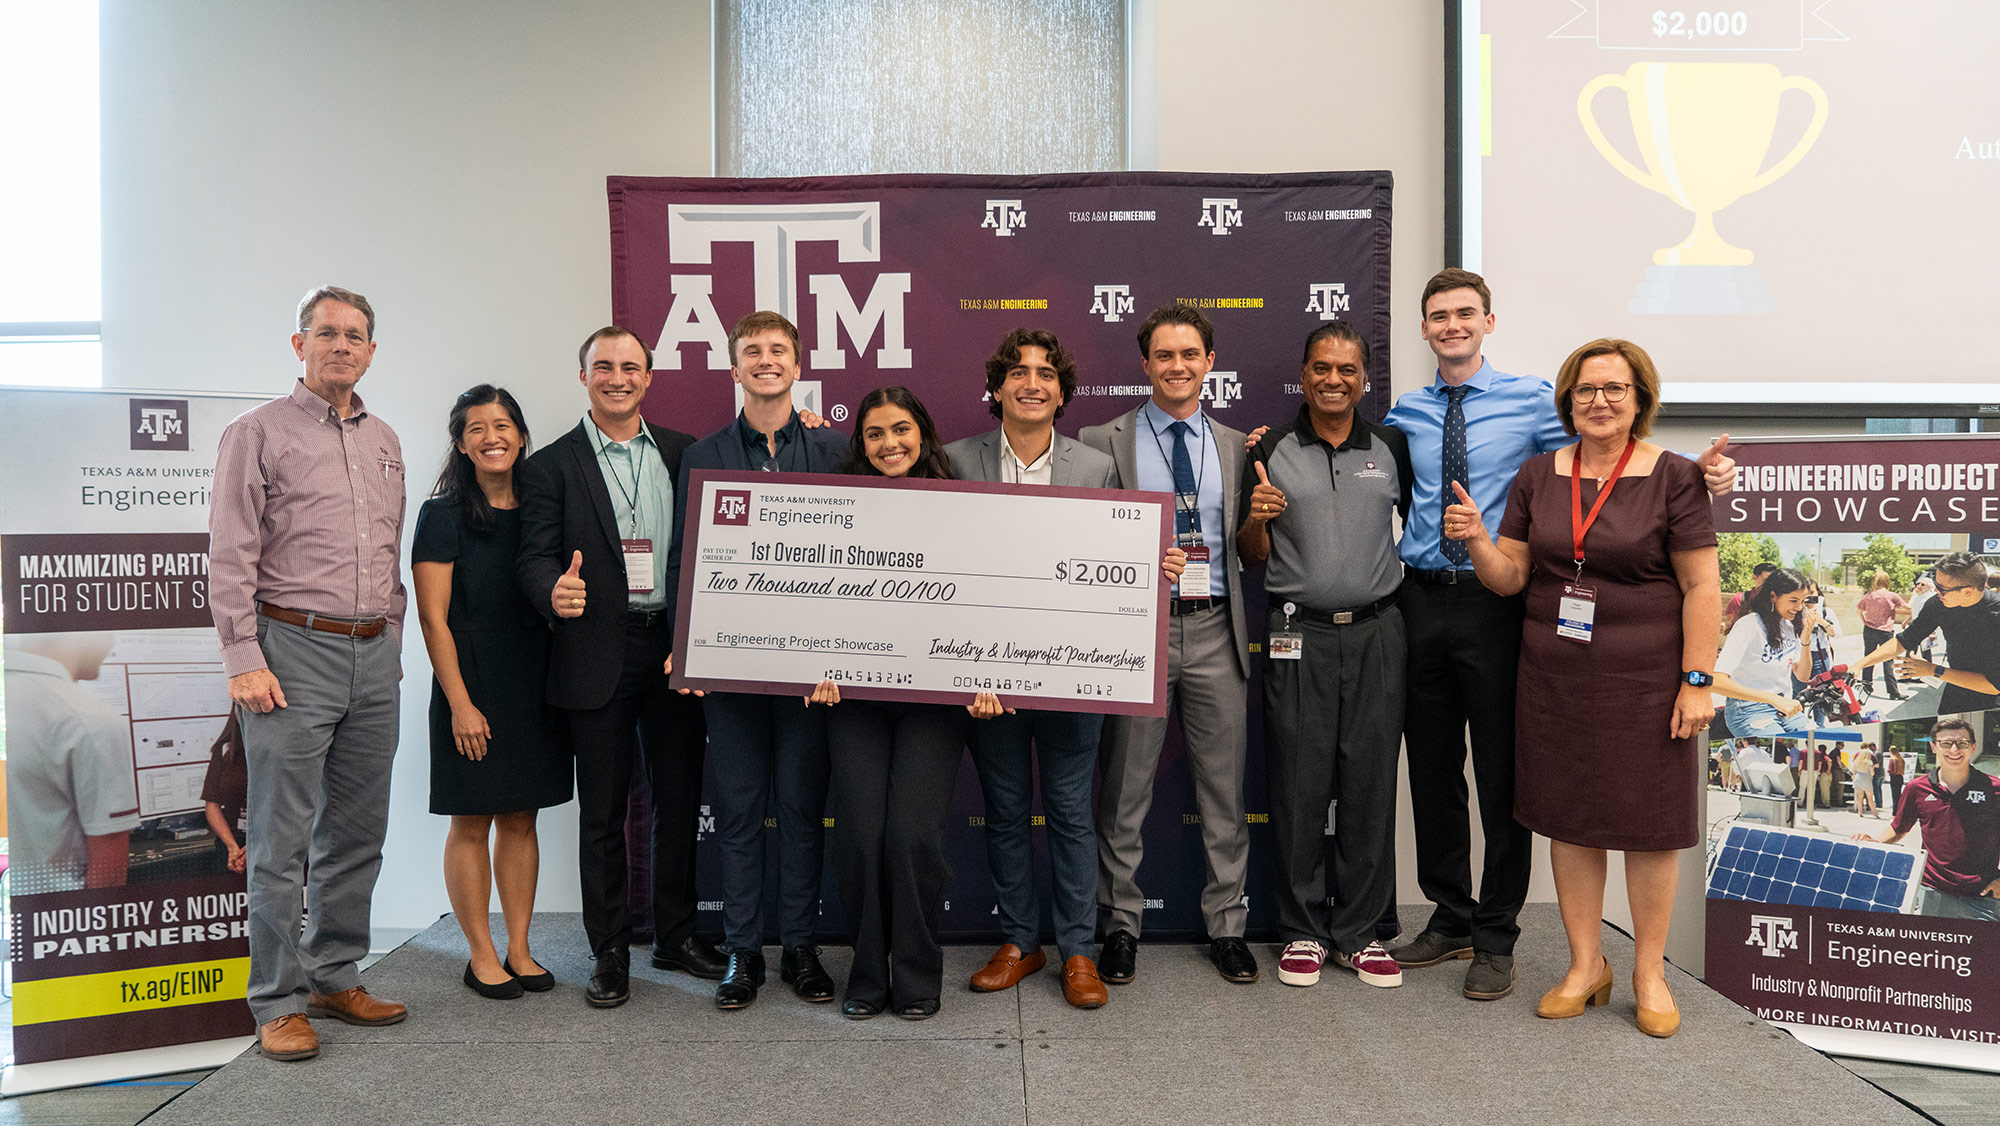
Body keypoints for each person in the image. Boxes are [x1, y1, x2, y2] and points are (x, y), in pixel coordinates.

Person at [1381, 269, 1733, 1000]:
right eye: (1438, 315)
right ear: (1423, 328)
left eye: (1465, 313)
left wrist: (1697, 474)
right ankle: (1449, 917)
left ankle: (1497, 934)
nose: (1451, 325)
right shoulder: (1404, 412)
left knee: (1507, 775)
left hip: (1504, 603)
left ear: (1488, 321)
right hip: (1425, 597)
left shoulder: (1536, 403)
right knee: (1435, 768)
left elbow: (1614, 464)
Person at [1444, 337, 1719, 1039]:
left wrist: (1696, 681)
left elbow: (1701, 586)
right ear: (1566, 400)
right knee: (1568, 819)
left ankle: (1648, 972)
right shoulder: (1539, 475)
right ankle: (1584, 964)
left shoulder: (1676, 477)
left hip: (1647, 680)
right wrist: (1477, 537)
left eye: (1614, 390)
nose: (1598, 402)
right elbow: (1509, 577)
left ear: (1639, 400)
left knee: (1650, 826)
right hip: (1555, 677)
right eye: (1585, 390)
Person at [210, 285, 409, 1062]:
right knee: (281, 838)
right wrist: (243, 659)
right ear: (300, 345)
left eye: (355, 336)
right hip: (290, 651)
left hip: (371, 656)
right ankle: (277, 1001)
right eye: (326, 333)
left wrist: (389, 645)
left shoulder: (386, 438)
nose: (341, 346)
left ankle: (333, 973)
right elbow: (231, 556)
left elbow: (388, 557)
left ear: (370, 350)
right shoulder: (255, 432)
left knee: (357, 831)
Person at [517, 326, 722, 1009]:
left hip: (672, 648)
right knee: (603, 813)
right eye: (604, 366)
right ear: (584, 376)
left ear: (649, 376)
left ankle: (677, 935)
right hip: (594, 651)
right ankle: (609, 953)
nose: (618, 377)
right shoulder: (550, 465)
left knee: (677, 801)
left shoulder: (681, 451)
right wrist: (552, 588)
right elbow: (534, 558)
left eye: (630, 366)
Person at [669, 311, 847, 1010]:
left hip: (811, 677)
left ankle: (801, 949)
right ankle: (743, 955)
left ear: (798, 365)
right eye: (753, 352)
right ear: (734, 368)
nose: (766, 360)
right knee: (740, 812)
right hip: (732, 673)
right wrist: (685, 651)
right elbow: (686, 560)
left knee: (802, 811)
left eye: (778, 350)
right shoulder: (702, 455)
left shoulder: (833, 452)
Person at [1079, 305, 1259, 985]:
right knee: (1124, 790)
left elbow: (1246, 543)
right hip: (1136, 629)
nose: (1177, 366)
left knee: (1223, 789)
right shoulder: (1103, 441)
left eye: (1190, 354)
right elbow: (1085, 535)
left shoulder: (1239, 445)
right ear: (1145, 364)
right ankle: (1120, 925)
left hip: (1215, 625)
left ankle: (1228, 928)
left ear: (1210, 362)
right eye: (1164, 355)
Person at [806, 386, 994, 1021]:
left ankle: (916, 973)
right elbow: (811, 596)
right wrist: (814, 663)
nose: (890, 444)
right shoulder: (836, 507)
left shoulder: (963, 502)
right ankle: (866, 971)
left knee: (912, 835)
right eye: (876, 433)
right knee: (860, 835)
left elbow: (986, 595)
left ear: (925, 434)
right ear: (859, 442)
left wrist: (992, 671)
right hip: (853, 697)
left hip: (933, 702)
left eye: (902, 430)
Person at [945, 328, 1120, 1009]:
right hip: (987, 681)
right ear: (996, 387)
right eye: (1017, 371)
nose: (1032, 383)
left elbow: (1113, 566)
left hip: (1072, 673)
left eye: (1046, 373)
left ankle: (1079, 950)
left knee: (1073, 814)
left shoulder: (1095, 466)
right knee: (1008, 810)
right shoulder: (957, 461)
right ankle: (1021, 938)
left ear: (1062, 391)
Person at [1239, 322, 1412, 991]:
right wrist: (1257, 516)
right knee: (1298, 783)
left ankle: (1361, 934)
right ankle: (1303, 930)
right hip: (1296, 634)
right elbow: (1253, 555)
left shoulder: (1392, 446)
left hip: (1377, 631)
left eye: (1346, 369)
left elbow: (1421, 527)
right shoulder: (1272, 448)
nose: (1333, 380)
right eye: (1321, 368)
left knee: (1370, 782)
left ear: (1364, 378)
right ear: (1303, 373)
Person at [412, 385, 570, 1001]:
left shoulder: (541, 507)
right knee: (472, 820)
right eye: (476, 428)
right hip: (470, 678)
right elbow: (433, 619)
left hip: (534, 677)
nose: (491, 436)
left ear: (523, 436)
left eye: (502, 425)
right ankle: (480, 952)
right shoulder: (443, 513)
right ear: (460, 443)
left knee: (522, 818)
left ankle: (521, 947)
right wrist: (460, 703)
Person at [2, 632, 138, 894]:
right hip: (61, 918)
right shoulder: (89, 720)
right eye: (108, 632)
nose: (111, 644)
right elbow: (108, 861)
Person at [1856, 717, 2000, 921]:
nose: (1954, 750)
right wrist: (1874, 843)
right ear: (1934, 747)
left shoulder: (1994, 788)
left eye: (1961, 743)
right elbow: (1899, 828)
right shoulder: (1917, 788)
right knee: (1934, 952)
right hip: (1933, 892)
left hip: (1984, 894)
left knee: (1985, 953)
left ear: (1973, 747)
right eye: (1946, 743)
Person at [1851, 553, 2000, 717]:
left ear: (1968, 591)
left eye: (1942, 588)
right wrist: (1858, 665)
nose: (1936, 591)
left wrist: (1933, 670)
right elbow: (1905, 640)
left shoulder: (1996, 614)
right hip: (1955, 693)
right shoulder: (1939, 603)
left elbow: (1993, 686)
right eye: (1936, 583)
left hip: (1992, 706)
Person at [1710, 568, 1816, 737]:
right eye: (1793, 600)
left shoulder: (1788, 626)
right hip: (1747, 709)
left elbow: (1803, 676)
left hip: (1783, 707)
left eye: (1803, 601)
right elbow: (1716, 680)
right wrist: (1771, 698)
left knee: (1817, 738)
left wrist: (1805, 639)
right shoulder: (1749, 625)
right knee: (1778, 747)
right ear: (1773, 596)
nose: (1799, 607)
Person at [201, 712, 249, 873]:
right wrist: (232, 848)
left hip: (273, 845)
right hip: (230, 847)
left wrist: (258, 845)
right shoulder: (224, 749)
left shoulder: (282, 751)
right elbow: (212, 804)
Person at [1855, 572, 1909, 701]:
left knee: (1868, 658)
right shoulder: (1892, 596)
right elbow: (1907, 607)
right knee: (1888, 660)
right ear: (1887, 582)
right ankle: (1893, 692)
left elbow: (1859, 611)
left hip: (1869, 629)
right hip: (1885, 631)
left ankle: (1866, 687)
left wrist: (1865, 622)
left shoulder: (1869, 596)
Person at [1850, 743, 1879, 817]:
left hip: (1858, 777)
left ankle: (1860, 812)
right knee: (1870, 798)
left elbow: (1853, 771)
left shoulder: (1857, 762)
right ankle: (1875, 813)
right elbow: (1872, 773)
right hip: (1866, 778)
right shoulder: (1869, 762)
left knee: (1859, 797)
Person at [1889, 745, 1908, 809]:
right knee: (1899, 794)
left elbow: (1890, 770)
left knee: (1894, 795)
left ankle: (1895, 811)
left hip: (1894, 777)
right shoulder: (1901, 759)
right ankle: (1899, 808)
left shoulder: (1892, 759)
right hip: (1900, 777)